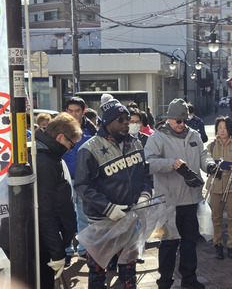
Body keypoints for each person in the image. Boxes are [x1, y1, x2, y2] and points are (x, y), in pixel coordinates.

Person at [74, 94, 152, 289]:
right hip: (102, 222)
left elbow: (145, 172)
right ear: (108, 122)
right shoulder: (89, 149)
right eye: (121, 120)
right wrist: (108, 207)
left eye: (128, 119)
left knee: (129, 271)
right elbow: (83, 185)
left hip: (131, 217)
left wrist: (145, 193)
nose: (127, 123)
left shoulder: (134, 142)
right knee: (98, 272)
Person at [145, 98, 217, 289]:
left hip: (191, 199)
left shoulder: (193, 135)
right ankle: (165, 281)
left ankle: (189, 279)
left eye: (184, 120)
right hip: (168, 202)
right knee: (168, 244)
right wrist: (171, 163)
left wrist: (209, 165)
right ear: (169, 118)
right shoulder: (157, 137)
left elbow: (203, 155)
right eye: (178, 120)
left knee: (190, 243)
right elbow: (148, 163)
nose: (181, 124)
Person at [35, 112, 82, 288]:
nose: (71, 149)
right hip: (41, 240)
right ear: (60, 137)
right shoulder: (44, 160)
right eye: (71, 144)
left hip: (46, 238)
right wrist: (57, 252)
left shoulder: (48, 155)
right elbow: (45, 210)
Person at [206, 116, 232, 260]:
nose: (222, 131)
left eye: (224, 128)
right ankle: (217, 245)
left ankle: (231, 245)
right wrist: (211, 168)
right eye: (219, 128)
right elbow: (205, 163)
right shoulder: (211, 145)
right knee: (216, 218)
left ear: (230, 129)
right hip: (216, 186)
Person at [63, 97, 97, 266]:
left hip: (85, 180)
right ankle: (67, 251)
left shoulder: (92, 129)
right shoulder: (60, 127)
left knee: (84, 215)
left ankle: (83, 250)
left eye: (77, 110)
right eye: (71, 110)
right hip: (63, 179)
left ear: (84, 111)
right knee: (65, 216)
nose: (74, 114)